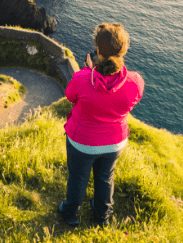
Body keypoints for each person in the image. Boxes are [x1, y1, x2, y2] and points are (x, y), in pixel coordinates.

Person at [58, 23, 145, 227]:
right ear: (124, 50)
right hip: (115, 142)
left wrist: (88, 73)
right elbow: (123, 97)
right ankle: (102, 215)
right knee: (105, 177)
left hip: (82, 142)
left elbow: (70, 96)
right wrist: (93, 75)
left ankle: (71, 213)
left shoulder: (81, 78)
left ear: (98, 49)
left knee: (78, 178)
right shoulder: (136, 82)